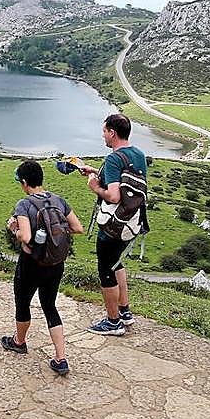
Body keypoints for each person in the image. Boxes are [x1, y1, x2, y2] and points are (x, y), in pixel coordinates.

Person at [1, 159, 86, 375]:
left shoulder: (24, 204)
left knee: (23, 302)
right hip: (55, 263)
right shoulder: (59, 201)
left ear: (24, 182)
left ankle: (19, 342)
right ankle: (61, 358)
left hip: (31, 264)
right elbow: (78, 228)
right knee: (50, 306)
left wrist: (14, 229)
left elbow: (26, 236)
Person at [79, 113, 147, 336]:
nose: (103, 137)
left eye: (104, 132)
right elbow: (124, 183)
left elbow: (114, 196)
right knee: (117, 264)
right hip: (131, 223)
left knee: (106, 270)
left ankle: (112, 321)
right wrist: (96, 173)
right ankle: (125, 311)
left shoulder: (113, 158)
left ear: (112, 133)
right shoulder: (138, 154)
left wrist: (94, 187)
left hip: (112, 225)